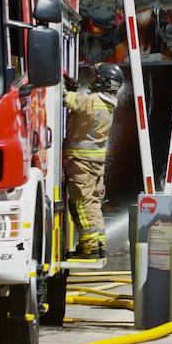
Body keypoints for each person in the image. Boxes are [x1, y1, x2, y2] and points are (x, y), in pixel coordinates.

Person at [62, 62, 123, 259]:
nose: (92, 80)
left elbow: (65, 98)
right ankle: (98, 243)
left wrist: (60, 83)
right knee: (93, 203)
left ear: (103, 82)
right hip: (95, 164)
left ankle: (90, 246)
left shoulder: (91, 101)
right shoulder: (107, 104)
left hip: (81, 163)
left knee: (80, 203)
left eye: (96, 77)